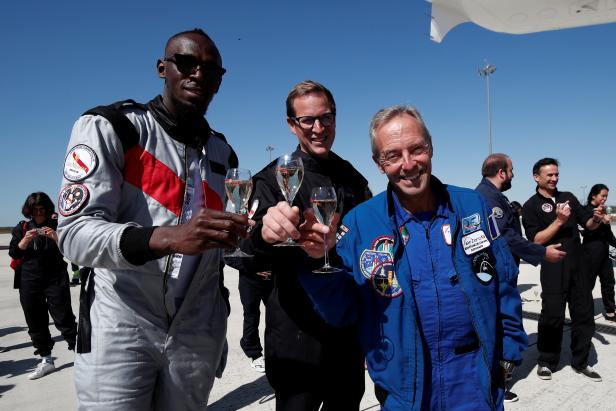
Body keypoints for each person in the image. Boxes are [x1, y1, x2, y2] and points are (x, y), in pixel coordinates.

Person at [267, 105, 527, 410]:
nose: (408, 164)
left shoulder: (472, 206)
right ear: (379, 164)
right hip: (406, 388)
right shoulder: (362, 223)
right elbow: (342, 312)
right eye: (392, 156)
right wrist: (314, 259)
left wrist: (511, 348)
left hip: (475, 382)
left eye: (417, 149)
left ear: (431, 148)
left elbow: (503, 278)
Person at [57, 29, 250, 409]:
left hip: (195, 333)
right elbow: (73, 234)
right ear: (162, 68)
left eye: (210, 70)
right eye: (186, 63)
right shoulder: (111, 127)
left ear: (220, 81)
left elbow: (217, 250)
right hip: (122, 326)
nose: (198, 74)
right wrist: (167, 237)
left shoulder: (223, 153)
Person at [241, 80, 370, 410]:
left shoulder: (353, 178)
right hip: (297, 340)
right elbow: (241, 255)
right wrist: (263, 237)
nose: (319, 128)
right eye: (307, 120)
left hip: (346, 338)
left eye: (326, 118)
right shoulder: (270, 181)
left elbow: (369, 244)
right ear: (291, 125)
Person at [476, 153, 566, 403]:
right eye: (512, 170)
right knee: (511, 332)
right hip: (498, 277)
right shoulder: (489, 198)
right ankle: (498, 385)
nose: (514, 174)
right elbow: (507, 237)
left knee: (497, 331)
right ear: (502, 173)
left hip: (497, 274)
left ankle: (496, 383)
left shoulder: (488, 196)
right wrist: (541, 252)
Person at [522, 158, 604, 382]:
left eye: (556, 174)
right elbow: (536, 240)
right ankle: (547, 361)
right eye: (549, 175)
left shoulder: (568, 197)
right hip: (553, 267)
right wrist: (558, 221)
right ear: (536, 177)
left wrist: (595, 219)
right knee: (552, 315)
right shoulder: (531, 206)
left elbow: (588, 224)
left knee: (584, 314)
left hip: (578, 266)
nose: (554, 178)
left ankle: (581, 362)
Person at [8, 192, 77, 380]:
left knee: (64, 317)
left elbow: (73, 250)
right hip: (29, 280)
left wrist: (56, 237)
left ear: (48, 209)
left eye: (42, 209)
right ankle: (46, 360)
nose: (39, 213)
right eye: (35, 210)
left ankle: (80, 353)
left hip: (55, 277)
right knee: (35, 321)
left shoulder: (58, 226)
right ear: (28, 211)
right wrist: (25, 240)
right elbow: (14, 253)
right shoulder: (21, 228)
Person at [581, 184, 616, 322]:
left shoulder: (603, 212)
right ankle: (584, 313)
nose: (605, 199)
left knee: (609, 282)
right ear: (593, 195)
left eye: (606, 196)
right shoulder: (585, 211)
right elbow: (585, 231)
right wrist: (600, 221)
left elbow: (609, 235)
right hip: (590, 253)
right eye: (603, 196)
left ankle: (610, 311)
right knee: (587, 284)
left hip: (604, 253)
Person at [238, 268, 273, 372]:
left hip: (273, 278)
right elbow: (229, 256)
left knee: (277, 315)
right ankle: (254, 353)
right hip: (249, 280)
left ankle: (277, 352)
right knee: (251, 316)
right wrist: (253, 268)